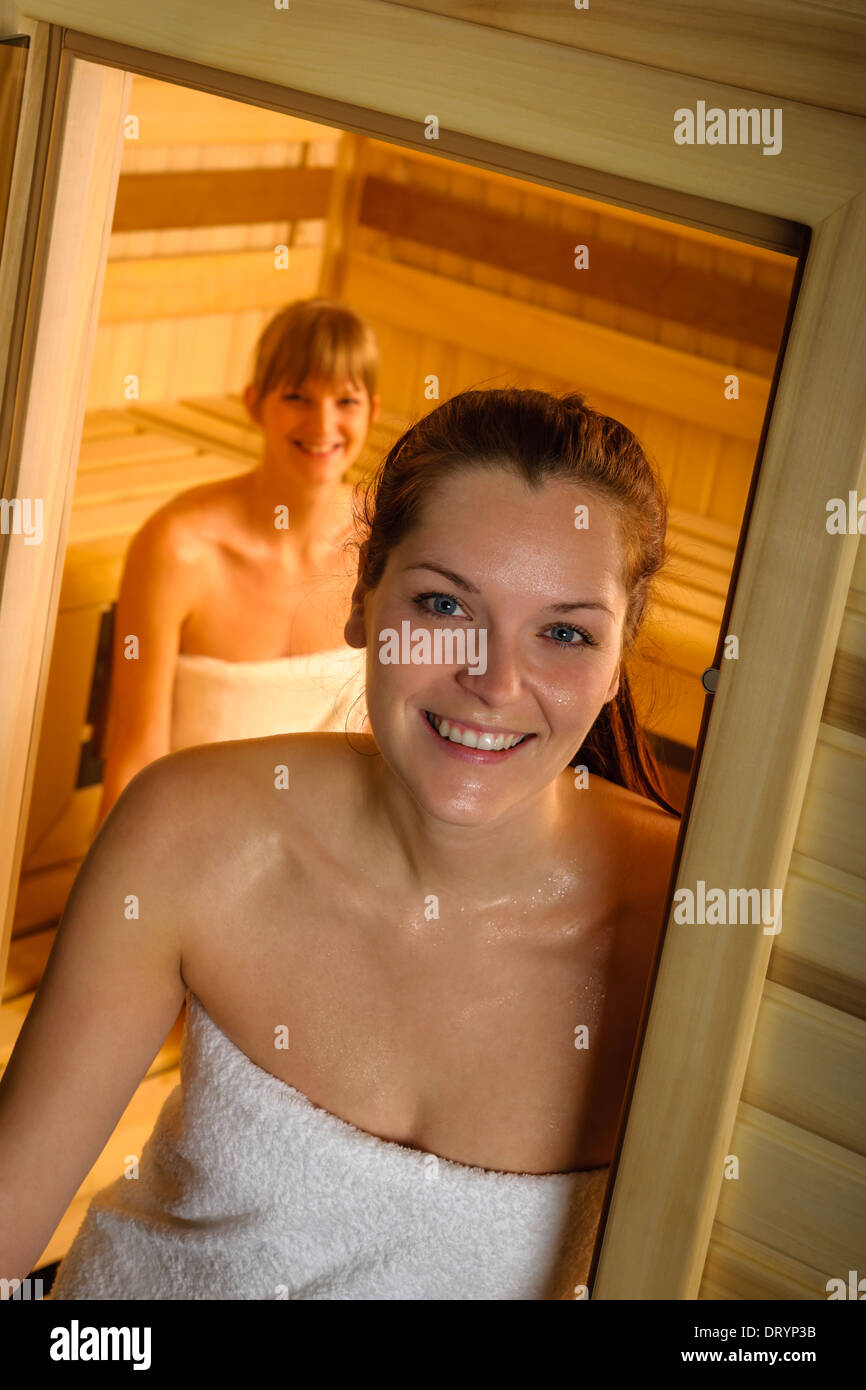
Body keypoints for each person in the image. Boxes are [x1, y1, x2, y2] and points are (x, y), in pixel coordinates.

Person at [0, 386, 681, 1301]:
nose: (495, 681)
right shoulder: (192, 829)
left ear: (620, 652)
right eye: (444, 605)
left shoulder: (688, 933)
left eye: (564, 632)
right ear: (363, 600)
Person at [95, 298, 381, 827]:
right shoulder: (178, 549)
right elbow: (136, 755)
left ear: (372, 413)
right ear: (254, 404)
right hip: (199, 839)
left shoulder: (380, 541)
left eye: (346, 401)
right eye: (297, 396)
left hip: (333, 847)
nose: (323, 423)